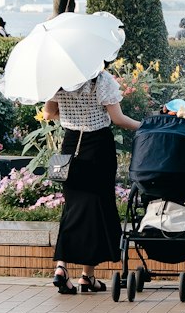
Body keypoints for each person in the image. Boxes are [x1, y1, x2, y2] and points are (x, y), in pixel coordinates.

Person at [43, 68, 142, 294]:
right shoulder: (101, 79)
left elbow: (49, 114)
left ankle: (61, 267)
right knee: (97, 209)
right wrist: (146, 125)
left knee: (72, 208)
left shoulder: (58, 78)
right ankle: (87, 276)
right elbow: (118, 119)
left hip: (70, 146)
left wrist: (69, 115)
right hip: (98, 149)